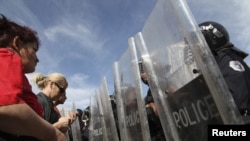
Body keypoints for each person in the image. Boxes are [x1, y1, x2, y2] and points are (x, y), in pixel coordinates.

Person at [0, 14, 67, 141]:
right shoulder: (7, 56)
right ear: (17, 43)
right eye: (34, 50)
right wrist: (54, 134)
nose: (37, 59)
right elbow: (5, 106)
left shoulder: (17, 72)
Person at [199, 21, 250, 118]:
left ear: (210, 41)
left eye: (198, 42)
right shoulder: (218, 62)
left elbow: (237, 105)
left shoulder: (227, 60)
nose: (195, 48)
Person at [139, 61, 166, 141]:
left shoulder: (164, 84)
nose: (142, 74)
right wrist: (150, 105)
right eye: (141, 71)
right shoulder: (150, 92)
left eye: (145, 69)